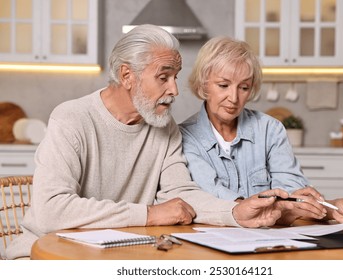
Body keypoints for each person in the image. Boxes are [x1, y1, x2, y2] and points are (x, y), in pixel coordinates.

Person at [5, 25, 303, 260]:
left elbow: (182, 194)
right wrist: (148, 214)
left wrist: (235, 212)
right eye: (164, 77)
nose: (174, 90)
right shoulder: (71, 119)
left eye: (176, 77)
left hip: (118, 255)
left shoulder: (165, 126)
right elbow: (51, 210)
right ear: (127, 76)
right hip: (44, 256)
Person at [179, 36, 343, 226]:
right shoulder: (185, 137)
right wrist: (281, 206)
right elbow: (210, 197)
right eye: (223, 85)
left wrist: (332, 208)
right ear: (203, 84)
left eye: (244, 87)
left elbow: (294, 195)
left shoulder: (270, 129)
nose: (234, 97)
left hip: (270, 242)